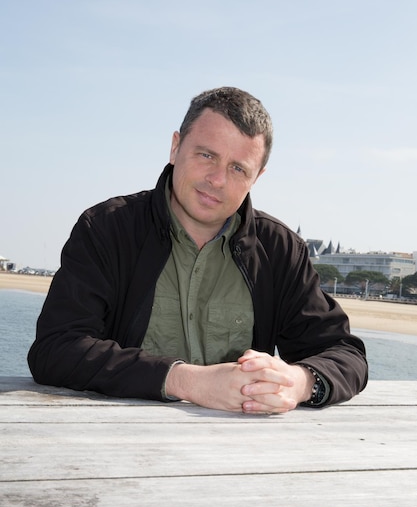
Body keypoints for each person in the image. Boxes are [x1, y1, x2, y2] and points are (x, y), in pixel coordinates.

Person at [28, 87, 368, 414]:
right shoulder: (106, 229)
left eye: (238, 168)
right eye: (207, 155)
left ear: (257, 177)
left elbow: (344, 353)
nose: (217, 179)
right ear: (175, 147)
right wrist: (186, 381)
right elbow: (55, 349)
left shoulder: (280, 250)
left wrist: (298, 381)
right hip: (117, 444)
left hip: (238, 455)